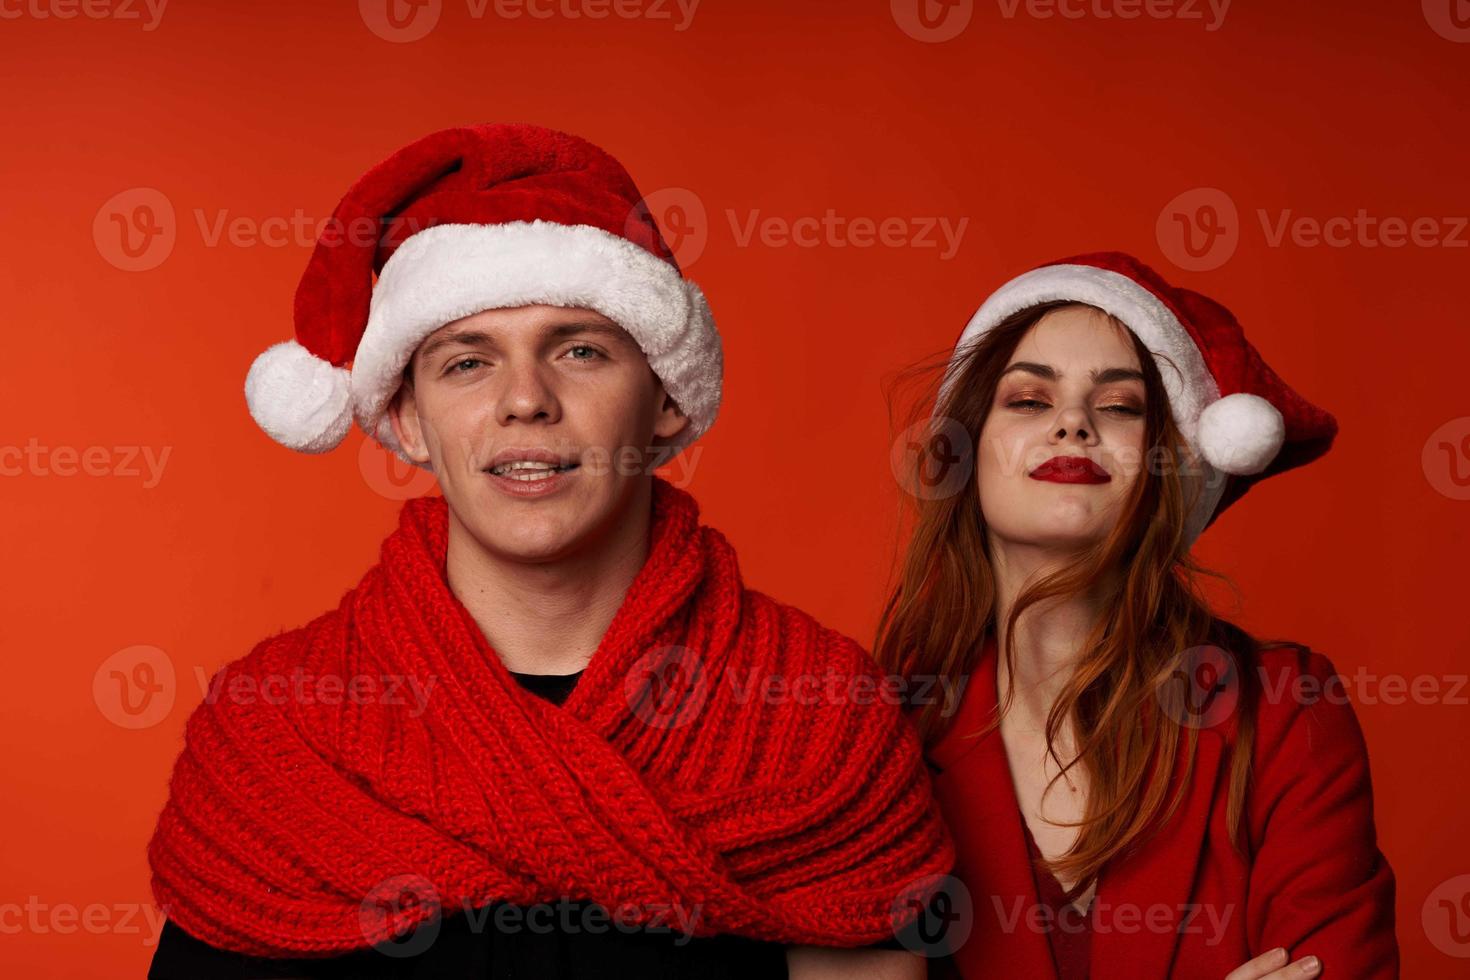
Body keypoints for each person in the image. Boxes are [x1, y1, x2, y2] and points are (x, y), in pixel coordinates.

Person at [145, 123, 953, 980]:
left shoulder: (820, 716)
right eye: (467, 363)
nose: (526, 400)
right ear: (409, 420)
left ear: (667, 401)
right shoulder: (278, 732)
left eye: (580, 350)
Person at [874, 253, 1398, 979]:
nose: (1073, 425)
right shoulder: (874, 729)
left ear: (1174, 464)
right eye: (1028, 400)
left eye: (1121, 407)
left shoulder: (1288, 711)